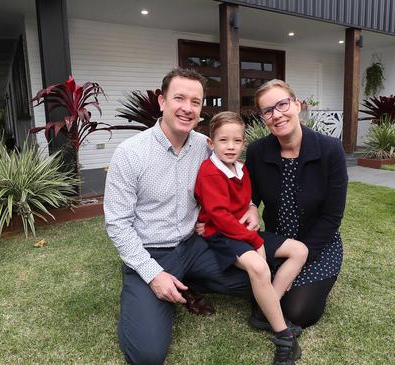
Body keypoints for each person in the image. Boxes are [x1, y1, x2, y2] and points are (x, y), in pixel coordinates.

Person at [104, 68, 259, 365]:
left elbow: (233, 178)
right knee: (148, 355)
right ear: (162, 102)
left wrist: (251, 206)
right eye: (179, 98)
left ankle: (190, 282)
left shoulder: (206, 146)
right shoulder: (130, 153)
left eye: (196, 102)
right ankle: (155, 291)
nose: (187, 108)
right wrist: (153, 275)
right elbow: (117, 224)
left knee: (259, 278)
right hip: (151, 253)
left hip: (195, 246)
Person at [194, 111, 308, 364]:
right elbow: (220, 217)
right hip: (221, 235)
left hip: (241, 231)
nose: (231, 146)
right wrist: (255, 242)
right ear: (211, 143)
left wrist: (251, 210)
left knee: (299, 250)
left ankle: (265, 311)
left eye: (237, 140)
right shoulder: (210, 172)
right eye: (223, 140)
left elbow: (245, 202)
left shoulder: (241, 169)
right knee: (259, 266)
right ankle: (284, 336)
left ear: (244, 143)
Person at [245, 79, 348, 329]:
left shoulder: (330, 149)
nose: (277, 115)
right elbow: (249, 194)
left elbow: (332, 216)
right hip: (278, 242)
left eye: (282, 104)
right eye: (268, 111)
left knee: (299, 311)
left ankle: (306, 283)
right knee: (248, 289)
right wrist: (250, 206)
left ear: (297, 105)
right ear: (263, 117)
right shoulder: (258, 151)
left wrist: (301, 258)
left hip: (318, 244)